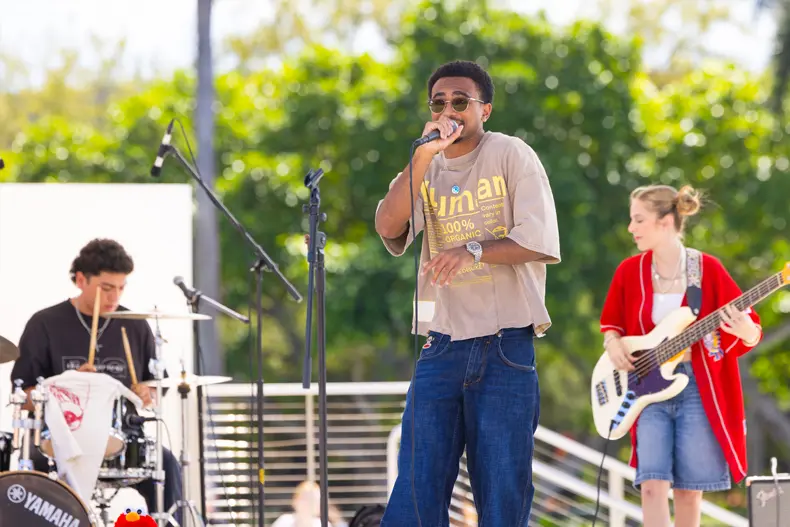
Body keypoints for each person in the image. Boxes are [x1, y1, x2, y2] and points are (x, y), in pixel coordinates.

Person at [374, 60, 561, 525]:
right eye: (438, 102)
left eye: (460, 101)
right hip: (442, 344)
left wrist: (472, 250)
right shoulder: (426, 163)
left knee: (501, 495)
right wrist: (421, 156)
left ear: (485, 110)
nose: (449, 110)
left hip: (505, 345)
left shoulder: (511, 153)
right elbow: (388, 225)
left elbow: (537, 240)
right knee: (415, 489)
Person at [600, 185, 762, 527]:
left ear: (665, 222)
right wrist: (613, 344)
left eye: (638, 219)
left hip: (697, 390)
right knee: (651, 486)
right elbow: (611, 324)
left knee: (689, 492)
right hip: (646, 390)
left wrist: (746, 330)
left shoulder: (707, 269)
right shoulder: (629, 271)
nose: (631, 228)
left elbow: (751, 333)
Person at [10, 238, 184, 522]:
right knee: (34, 468)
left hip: (122, 439)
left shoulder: (134, 325)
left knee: (166, 464)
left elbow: (156, 386)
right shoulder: (45, 324)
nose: (114, 296)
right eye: (106, 288)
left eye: (120, 288)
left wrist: (147, 392)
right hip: (60, 441)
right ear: (81, 280)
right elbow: (23, 395)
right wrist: (67, 385)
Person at [271, 480, 346, 527]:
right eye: (305, 499)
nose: (309, 504)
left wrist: (337, 520)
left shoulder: (322, 524)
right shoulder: (284, 521)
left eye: (314, 500)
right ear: (295, 501)